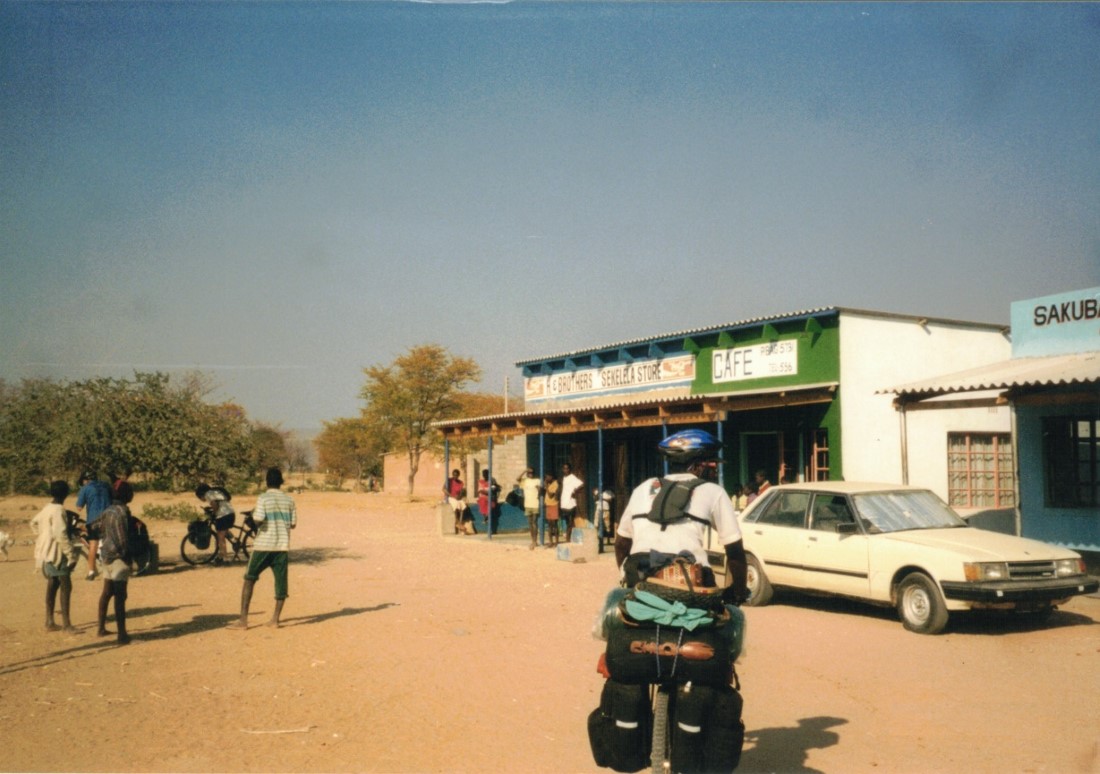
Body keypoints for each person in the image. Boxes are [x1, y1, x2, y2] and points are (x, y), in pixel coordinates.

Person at [614, 429, 748, 604]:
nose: (716, 471)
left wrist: (625, 574)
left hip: (639, 577)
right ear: (698, 467)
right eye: (713, 464)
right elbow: (735, 551)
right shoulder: (714, 492)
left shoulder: (643, 488)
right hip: (690, 579)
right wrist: (738, 592)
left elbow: (621, 543)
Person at [229, 467, 297, 630]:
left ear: (267, 482)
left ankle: (243, 621)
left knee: (249, 579)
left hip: (263, 546)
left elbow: (258, 520)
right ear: (281, 482)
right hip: (281, 546)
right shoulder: (289, 500)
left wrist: (253, 517)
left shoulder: (263, 498)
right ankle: (275, 620)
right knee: (281, 584)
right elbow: (293, 524)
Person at [31, 480, 80, 633]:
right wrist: (71, 554)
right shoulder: (58, 510)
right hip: (58, 552)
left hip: (46, 552)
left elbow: (33, 523)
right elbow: (60, 534)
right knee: (66, 585)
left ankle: (49, 620)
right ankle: (66, 624)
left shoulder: (47, 508)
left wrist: (43, 536)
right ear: (66, 494)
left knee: (53, 583)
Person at [96, 481, 135, 645]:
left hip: (106, 556)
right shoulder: (122, 512)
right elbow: (122, 538)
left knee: (107, 592)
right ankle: (122, 634)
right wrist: (128, 556)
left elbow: (100, 529)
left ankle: (101, 628)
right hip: (119, 557)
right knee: (120, 595)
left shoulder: (107, 510)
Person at [75, 472, 112, 581]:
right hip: (108, 518)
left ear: (85, 480)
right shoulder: (106, 485)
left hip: (93, 520)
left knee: (93, 545)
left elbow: (79, 508)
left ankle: (91, 572)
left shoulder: (85, 488)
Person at [195, 482, 235, 564]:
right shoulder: (216, 492)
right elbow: (219, 503)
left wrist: (213, 513)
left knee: (220, 538)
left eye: (200, 497)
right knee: (223, 532)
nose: (202, 499)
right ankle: (233, 543)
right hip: (230, 513)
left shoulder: (208, 494)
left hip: (223, 515)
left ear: (201, 494)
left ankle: (225, 559)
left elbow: (215, 505)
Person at [517, 467, 543, 549]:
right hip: (527, 504)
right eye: (529, 473)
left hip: (535, 504)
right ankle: (532, 540)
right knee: (530, 523)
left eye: (532, 472)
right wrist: (524, 471)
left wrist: (539, 489)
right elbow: (518, 479)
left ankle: (535, 541)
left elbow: (542, 490)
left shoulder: (537, 481)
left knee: (534, 522)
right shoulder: (525, 481)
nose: (530, 474)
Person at [560, 462, 584, 541]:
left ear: (570, 469)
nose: (566, 470)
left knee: (570, 521)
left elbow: (582, 484)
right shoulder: (563, 478)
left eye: (567, 468)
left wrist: (575, 491)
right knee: (567, 522)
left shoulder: (572, 477)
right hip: (564, 503)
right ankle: (570, 537)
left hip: (571, 503)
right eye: (564, 468)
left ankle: (568, 538)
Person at [443, 469, 467, 535]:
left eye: (456, 475)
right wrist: (452, 496)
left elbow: (462, 492)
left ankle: (460, 522)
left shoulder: (461, 482)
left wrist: (459, 496)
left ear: (458, 475)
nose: (455, 476)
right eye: (454, 475)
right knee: (456, 506)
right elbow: (444, 489)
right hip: (450, 497)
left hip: (457, 497)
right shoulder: (449, 481)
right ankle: (458, 523)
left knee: (462, 505)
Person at [543, 473, 561, 547]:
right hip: (548, 505)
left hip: (554, 505)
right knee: (549, 524)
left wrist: (546, 486)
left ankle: (556, 541)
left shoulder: (555, 484)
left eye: (547, 477)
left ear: (551, 476)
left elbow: (550, 495)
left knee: (554, 524)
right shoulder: (550, 484)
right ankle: (551, 542)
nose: (546, 478)